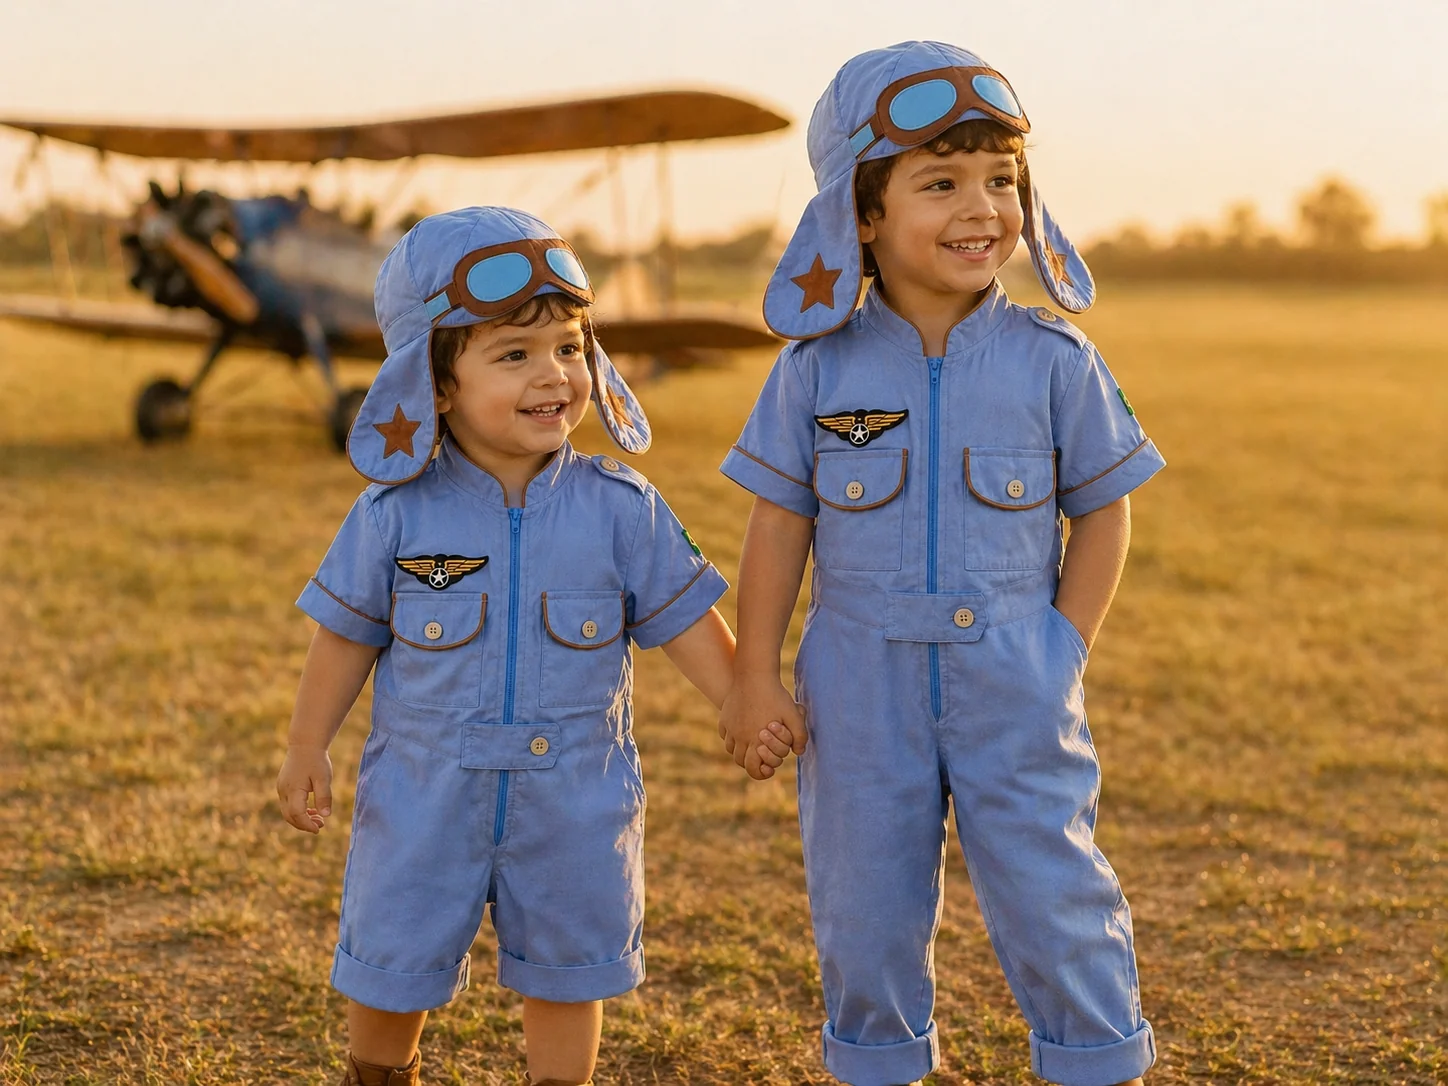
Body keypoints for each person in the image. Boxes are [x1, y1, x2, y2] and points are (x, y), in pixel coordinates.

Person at [718, 41, 1165, 1086]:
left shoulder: (1057, 360)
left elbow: (1104, 511)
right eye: (940, 182)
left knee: (1054, 894)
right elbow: (778, 526)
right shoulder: (813, 368)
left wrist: (1060, 642)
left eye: (1000, 179)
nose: (981, 208)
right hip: (856, 680)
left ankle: (1095, 1061)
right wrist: (752, 677)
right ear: (861, 215)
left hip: (1016, 672)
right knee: (862, 904)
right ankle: (878, 1065)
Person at [276, 206, 734, 1086]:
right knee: (393, 955)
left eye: (568, 347)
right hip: (423, 793)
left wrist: (742, 700)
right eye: (513, 355)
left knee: (569, 969)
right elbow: (344, 639)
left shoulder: (621, 505)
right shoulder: (394, 512)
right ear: (434, 385)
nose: (552, 375)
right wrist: (307, 745)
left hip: (575, 796)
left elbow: (685, 620)